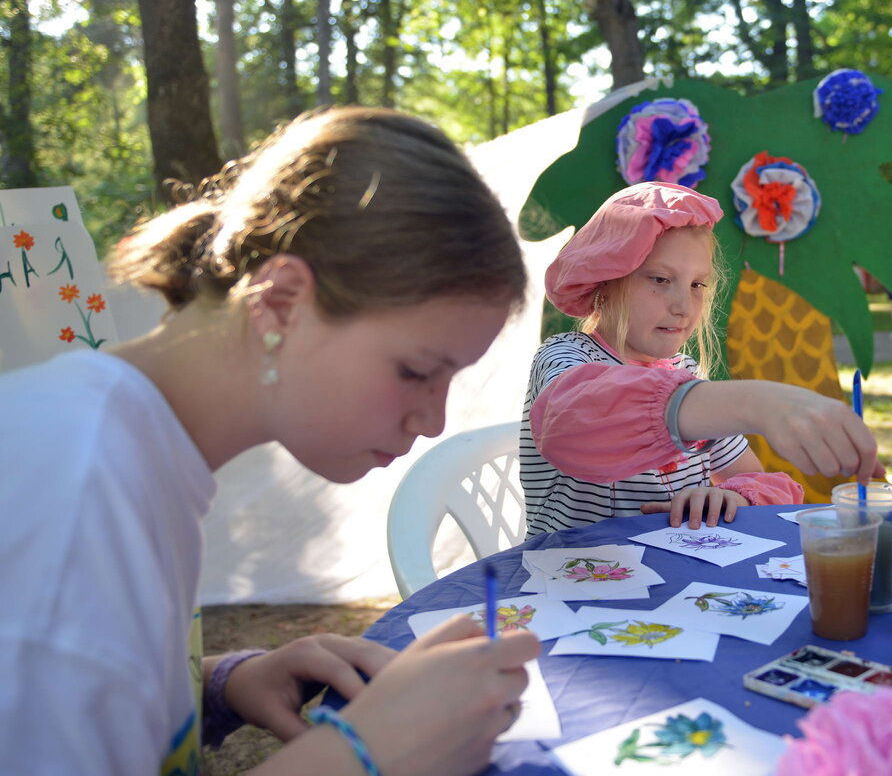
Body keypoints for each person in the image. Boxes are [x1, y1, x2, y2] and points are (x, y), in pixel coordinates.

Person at [0, 107, 540, 776]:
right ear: (281, 300)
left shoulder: (126, 449)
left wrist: (216, 684)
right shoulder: (71, 499)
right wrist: (360, 756)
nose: (432, 420)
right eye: (416, 371)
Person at [520, 182, 884, 538]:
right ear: (605, 281)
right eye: (660, 279)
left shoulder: (685, 374)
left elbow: (759, 481)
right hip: (564, 572)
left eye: (697, 285)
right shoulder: (567, 355)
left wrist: (731, 496)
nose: (683, 307)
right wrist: (754, 403)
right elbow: (573, 419)